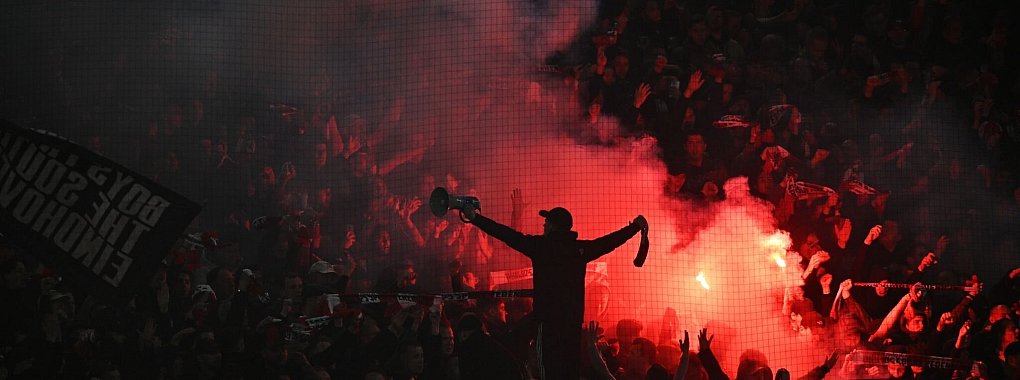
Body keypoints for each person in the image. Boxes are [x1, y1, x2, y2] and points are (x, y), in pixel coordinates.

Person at [460, 204, 648, 380]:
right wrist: (634, 228)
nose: (544, 224)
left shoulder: (541, 247)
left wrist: (475, 218)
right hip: (572, 325)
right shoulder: (579, 250)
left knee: (547, 370)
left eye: (547, 221)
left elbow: (506, 235)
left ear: (553, 226)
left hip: (547, 324)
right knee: (569, 371)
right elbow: (610, 242)